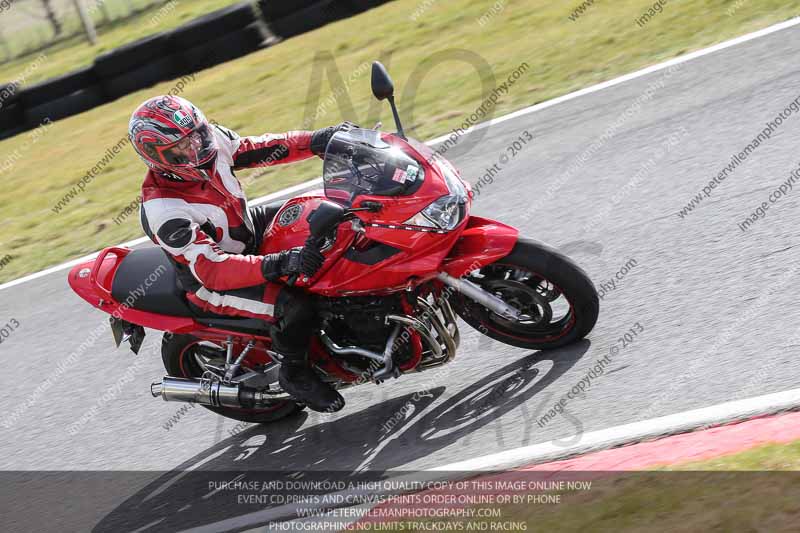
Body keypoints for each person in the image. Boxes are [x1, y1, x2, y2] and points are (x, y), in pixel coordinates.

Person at [128, 94, 352, 412]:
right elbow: (213, 269)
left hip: (244, 230)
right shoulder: (164, 210)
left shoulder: (208, 142)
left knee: (321, 211)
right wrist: (282, 263)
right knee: (294, 305)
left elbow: (258, 148)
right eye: (182, 147)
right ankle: (294, 372)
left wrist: (319, 140)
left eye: (197, 136)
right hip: (211, 281)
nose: (196, 149)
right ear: (157, 157)